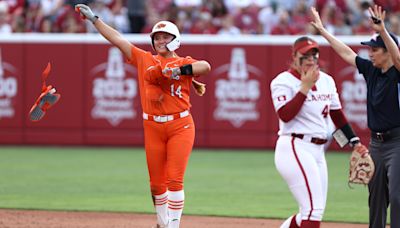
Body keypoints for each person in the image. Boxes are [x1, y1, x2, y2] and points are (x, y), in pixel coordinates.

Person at [75, 4, 211, 228]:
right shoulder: (145, 59)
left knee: (175, 179)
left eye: (165, 37)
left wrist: (179, 71)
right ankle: (161, 223)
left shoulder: (182, 62)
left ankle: (173, 226)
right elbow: (118, 39)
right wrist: (95, 19)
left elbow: (204, 66)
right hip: (153, 126)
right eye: (157, 38)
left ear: (175, 40)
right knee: (157, 184)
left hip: (180, 125)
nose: (160, 41)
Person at [311, 4, 400, 228]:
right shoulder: (371, 70)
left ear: (387, 52)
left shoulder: (397, 71)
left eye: (374, 49)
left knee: (398, 196)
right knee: (376, 197)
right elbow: (346, 53)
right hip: (377, 144)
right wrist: (323, 31)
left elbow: (397, 57)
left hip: (398, 143)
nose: (369, 52)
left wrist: (382, 32)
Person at [270, 36, 368, 228]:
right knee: (312, 211)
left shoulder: (326, 80)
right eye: (305, 54)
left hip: (318, 150)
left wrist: (354, 142)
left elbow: (337, 115)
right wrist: (304, 89)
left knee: (313, 210)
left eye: (314, 53)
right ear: (294, 56)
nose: (310, 58)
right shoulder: (283, 81)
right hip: (295, 146)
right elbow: (285, 115)